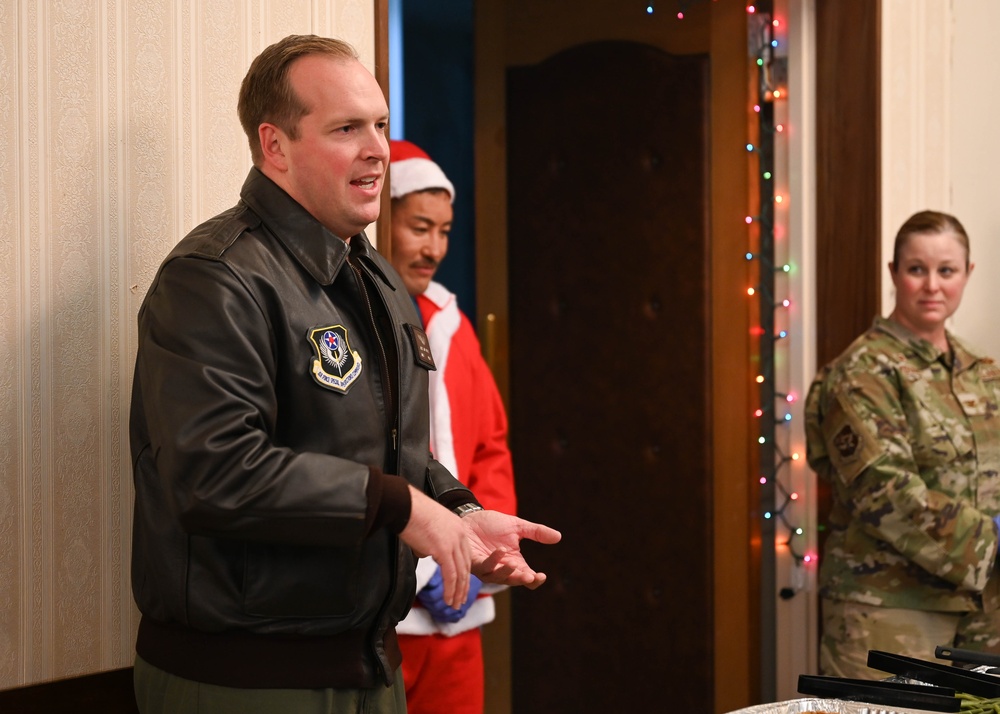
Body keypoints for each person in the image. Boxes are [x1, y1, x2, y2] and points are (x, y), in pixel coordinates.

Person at [128, 34, 560, 714]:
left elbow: (389, 449)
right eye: (346, 128)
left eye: (381, 126)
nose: (378, 149)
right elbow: (214, 474)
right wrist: (401, 508)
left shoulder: (381, 281)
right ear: (275, 147)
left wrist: (458, 513)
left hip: (370, 671)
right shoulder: (214, 278)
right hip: (249, 684)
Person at [805, 210, 1000, 679]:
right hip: (891, 612)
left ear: (967, 274)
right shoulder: (862, 372)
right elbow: (885, 492)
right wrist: (994, 538)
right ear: (894, 273)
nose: (932, 285)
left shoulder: (982, 371)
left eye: (947, 270)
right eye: (917, 269)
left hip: (984, 610)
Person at [386, 140, 518, 714]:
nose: (434, 248)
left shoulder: (453, 325)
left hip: (459, 607)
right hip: (382, 611)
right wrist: (415, 565)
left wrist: (476, 554)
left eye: (443, 231)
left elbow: (490, 447)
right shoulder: (343, 320)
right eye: (419, 227)